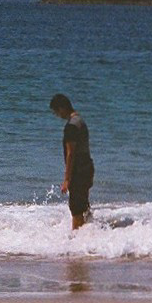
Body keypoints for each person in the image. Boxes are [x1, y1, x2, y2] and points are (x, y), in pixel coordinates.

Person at [49, 93, 94, 229]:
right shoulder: (80, 121)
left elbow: (70, 154)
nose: (58, 115)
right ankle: (89, 234)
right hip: (87, 167)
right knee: (83, 205)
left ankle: (77, 236)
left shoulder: (71, 126)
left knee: (76, 208)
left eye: (56, 112)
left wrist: (67, 179)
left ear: (62, 108)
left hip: (78, 170)